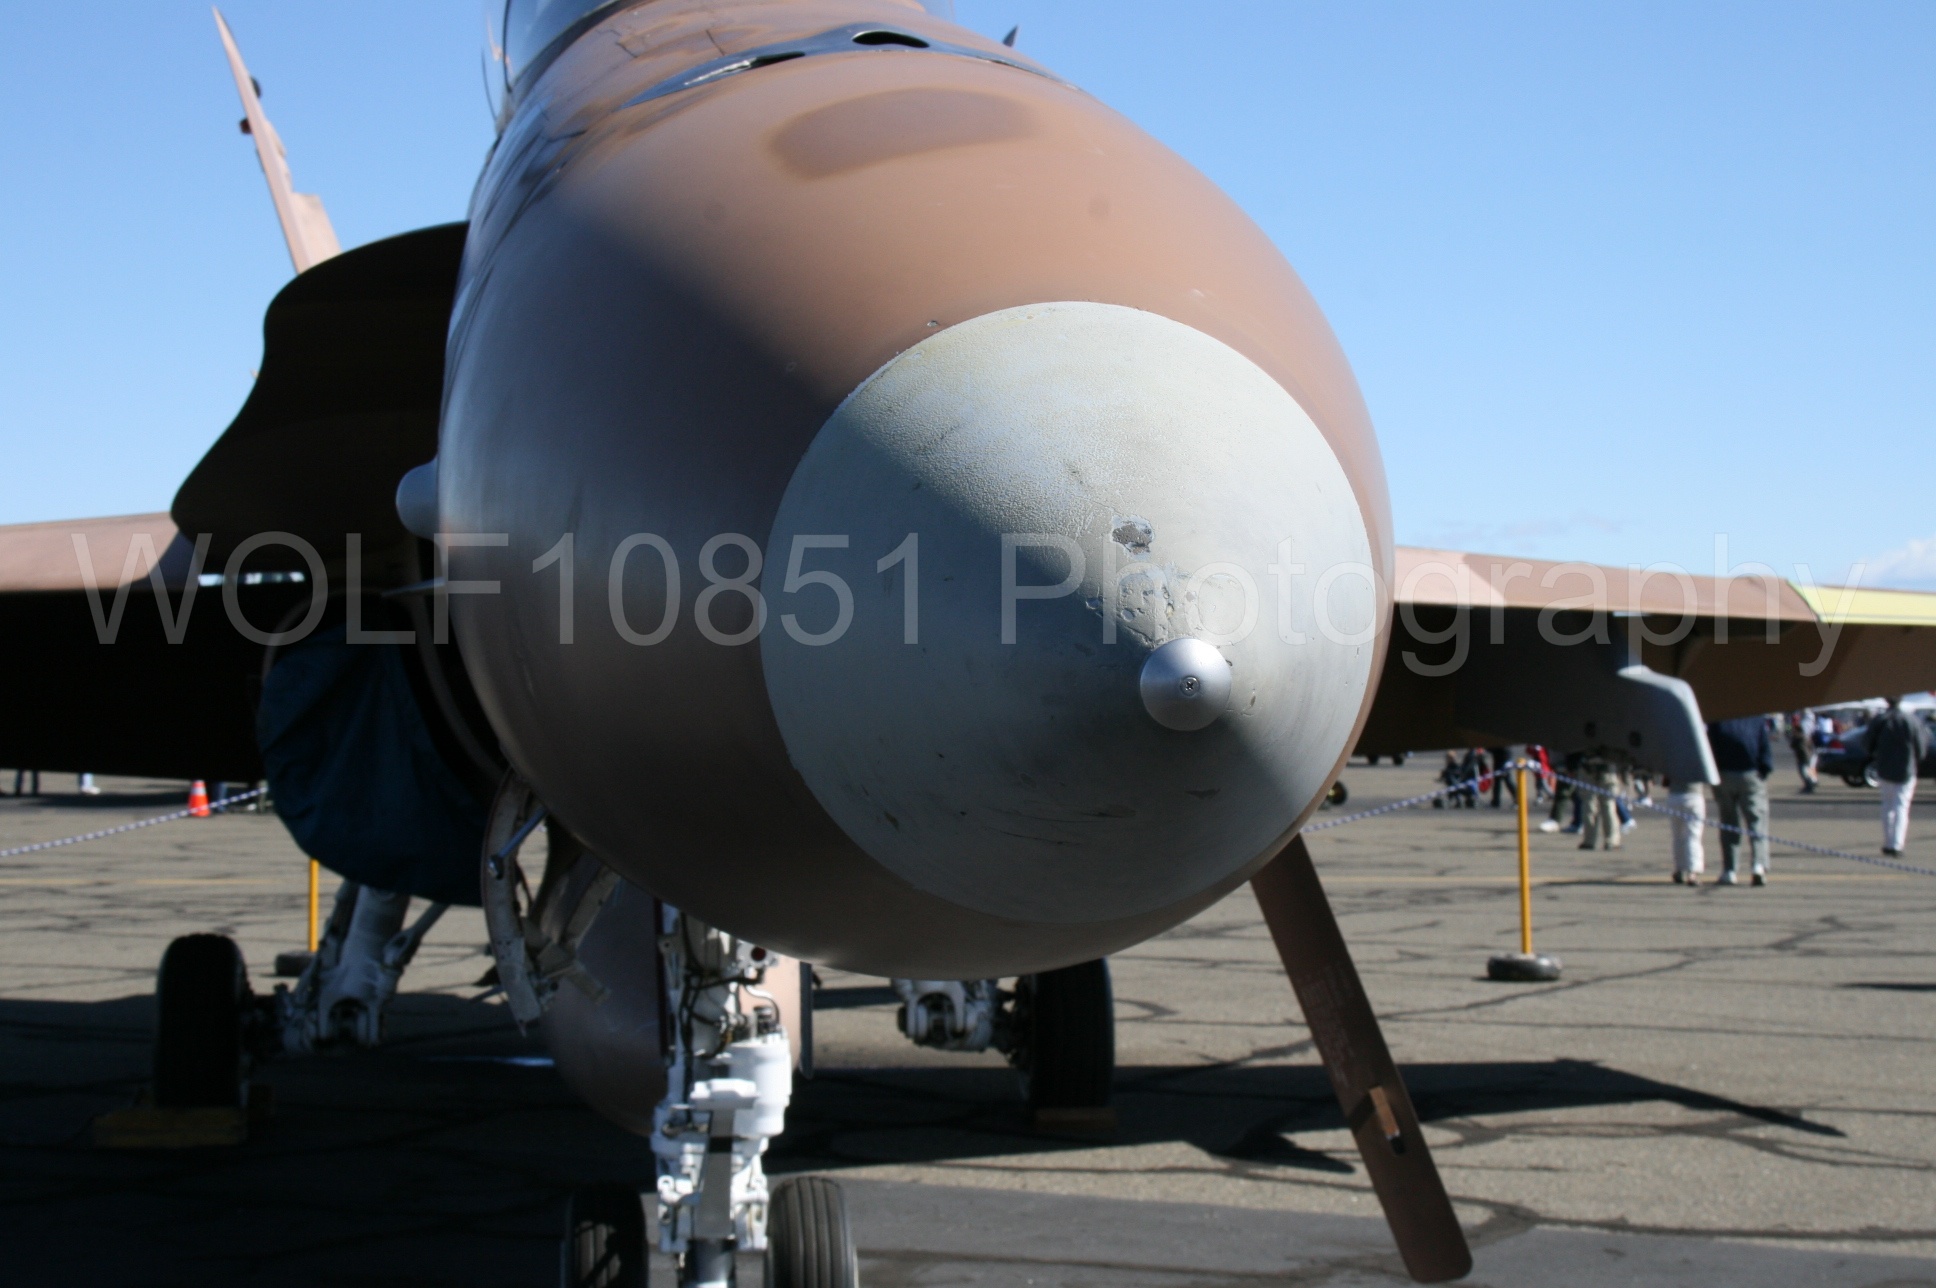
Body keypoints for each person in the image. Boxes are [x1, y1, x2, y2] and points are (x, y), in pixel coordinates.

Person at [1707, 716, 1774, 885]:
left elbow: (1711, 748)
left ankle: (1730, 870)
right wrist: (1765, 769)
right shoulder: (1756, 718)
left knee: (1729, 823)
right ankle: (1758, 865)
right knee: (1756, 821)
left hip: (1724, 774)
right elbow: (1764, 745)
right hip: (1750, 773)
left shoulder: (1718, 719)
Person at [1867, 696, 1930, 856]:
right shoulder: (1911, 721)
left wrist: (1875, 753)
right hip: (1906, 768)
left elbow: (1867, 743)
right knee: (1901, 806)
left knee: (1887, 806)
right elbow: (1921, 746)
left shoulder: (1879, 721)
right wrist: (1916, 759)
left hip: (1884, 767)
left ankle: (1888, 842)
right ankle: (1896, 844)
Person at [1663, 774, 1707, 884]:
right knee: (1693, 836)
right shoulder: (1698, 756)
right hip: (1694, 795)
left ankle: (1680, 869)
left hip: (1674, 795)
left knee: (1677, 836)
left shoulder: (1671, 756)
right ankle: (1692, 872)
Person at [1579, 753, 1623, 850]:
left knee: (1589, 805)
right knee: (1608, 805)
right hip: (1607, 765)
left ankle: (1589, 841)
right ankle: (1612, 840)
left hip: (1588, 764)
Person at [1786, 712, 1819, 793]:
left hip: (1805, 756)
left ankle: (1810, 785)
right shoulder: (1803, 730)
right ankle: (1812, 782)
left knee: (1805, 770)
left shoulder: (1800, 736)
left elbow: (1799, 747)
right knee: (1808, 769)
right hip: (1807, 755)